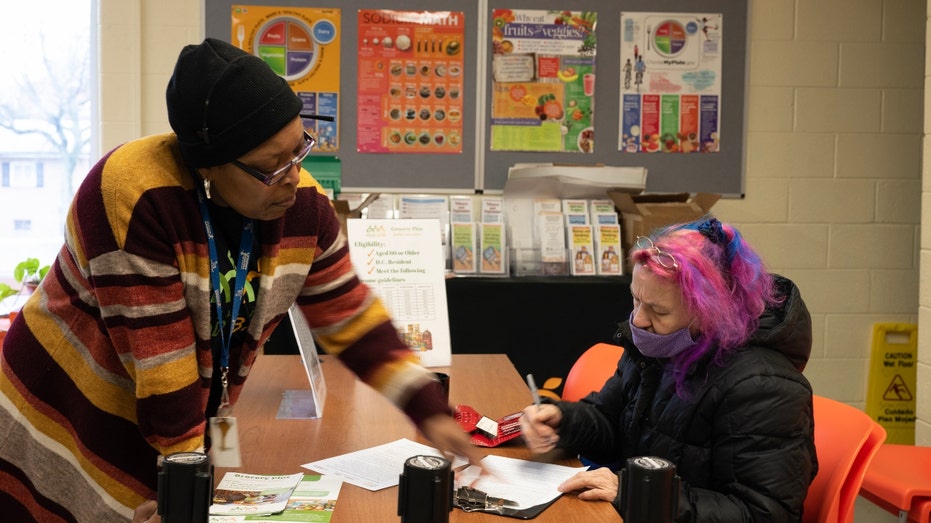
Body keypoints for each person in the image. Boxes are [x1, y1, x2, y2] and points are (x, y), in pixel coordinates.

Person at [0, 38, 483, 522]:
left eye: (299, 150)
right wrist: (186, 484)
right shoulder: (134, 195)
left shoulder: (305, 208)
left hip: (176, 429)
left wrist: (429, 409)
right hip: (58, 416)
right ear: (207, 164)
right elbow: (163, 370)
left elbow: (351, 318)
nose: (295, 176)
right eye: (272, 165)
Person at [520, 217, 817, 521]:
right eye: (635, 300)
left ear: (712, 311)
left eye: (658, 310)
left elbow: (764, 514)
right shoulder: (657, 346)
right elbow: (610, 422)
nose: (638, 320)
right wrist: (563, 421)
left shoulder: (763, 386)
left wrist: (637, 494)